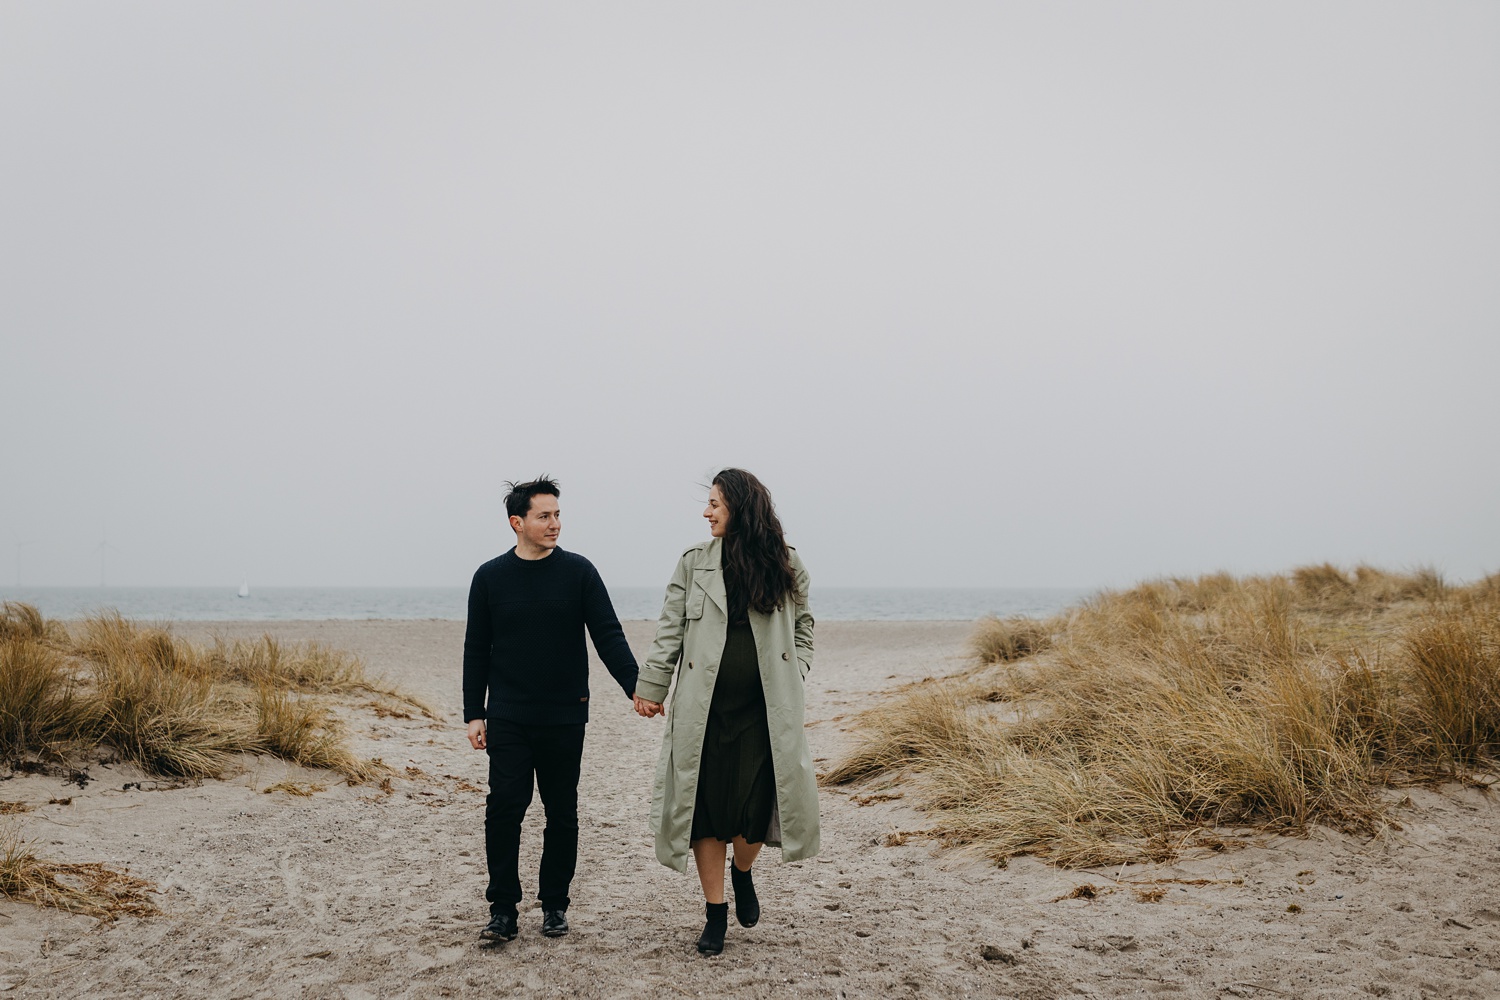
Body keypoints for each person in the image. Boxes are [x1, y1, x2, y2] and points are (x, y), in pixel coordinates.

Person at [632, 468, 819, 956]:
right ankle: (715, 912)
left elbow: (804, 626)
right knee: (706, 813)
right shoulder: (694, 563)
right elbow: (669, 630)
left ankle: (743, 872)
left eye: (715, 503)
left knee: (754, 813)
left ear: (741, 507)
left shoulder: (786, 563)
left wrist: (795, 672)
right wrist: (651, 686)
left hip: (765, 712)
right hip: (704, 711)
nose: (706, 511)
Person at [463, 476, 640, 943]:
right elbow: (476, 649)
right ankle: (502, 909)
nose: (555, 524)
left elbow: (608, 635)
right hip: (508, 715)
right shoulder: (489, 577)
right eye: (544, 516)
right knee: (504, 809)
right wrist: (473, 712)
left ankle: (555, 905)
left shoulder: (579, 572)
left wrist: (638, 687)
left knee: (562, 812)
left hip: (565, 714)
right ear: (516, 522)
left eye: (558, 514)